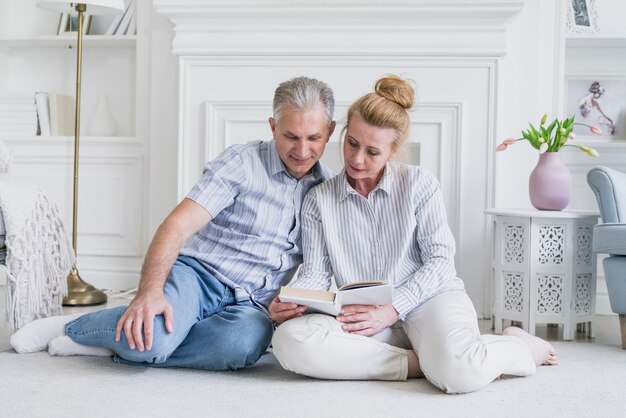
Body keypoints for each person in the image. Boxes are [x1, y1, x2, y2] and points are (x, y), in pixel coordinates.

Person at [10, 76, 336, 370]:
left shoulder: (327, 193)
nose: (302, 150)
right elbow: (176, 226)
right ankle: (77, 326)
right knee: (150, 339)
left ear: (330, 132)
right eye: (291, 136)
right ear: (272, 126)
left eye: (313, 138)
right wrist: (149, 293)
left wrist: (290, 308)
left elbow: (316, 271)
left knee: (243, 348)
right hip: (198, 277)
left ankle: (120, 345)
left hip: (253, 307)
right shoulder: (243, 162)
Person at [270, 75, 558, 394]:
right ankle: (421, 364)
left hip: (430, 301)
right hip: (363, 315)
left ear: (393, 151)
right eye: (352, 143)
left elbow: (440, 263)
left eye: (373, 151)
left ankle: (517, 348)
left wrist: (393, 308)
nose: (356, 159)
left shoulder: (419, 184)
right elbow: (315, 273)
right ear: (342, 133)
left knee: (460, 374)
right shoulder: (318, 200)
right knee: (289, 341)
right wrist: (294, 300)